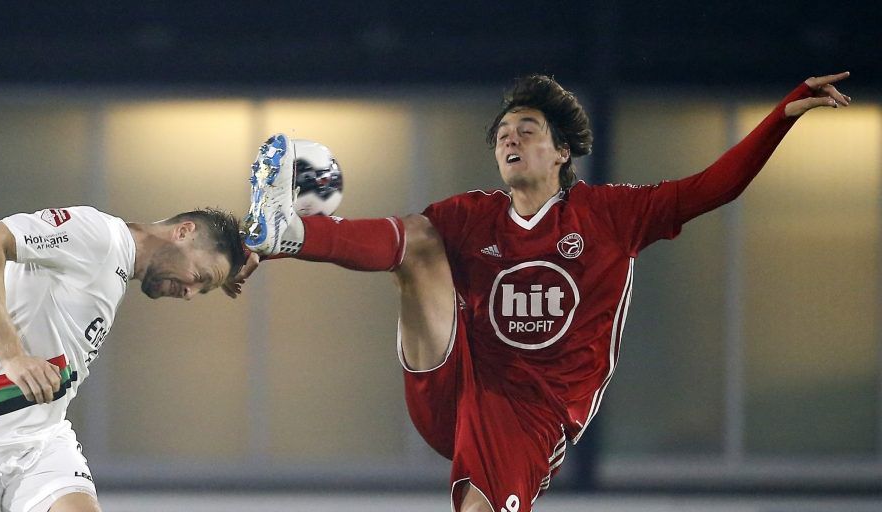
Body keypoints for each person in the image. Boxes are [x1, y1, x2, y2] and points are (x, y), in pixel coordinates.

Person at [239, 71, 852, 512]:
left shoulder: (611, 215)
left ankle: (290, 230)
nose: (509, 139)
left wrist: (783, 113)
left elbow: (712, 187)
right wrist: (271, 243)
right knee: (421, 242)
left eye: (526, 129)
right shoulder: (471, 215)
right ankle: (286, 229)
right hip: (455, 385)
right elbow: (384, 238)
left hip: (537, 412)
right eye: (503, 132)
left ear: (562, 151)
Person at [0, 206, 247, 512]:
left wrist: (239, 257)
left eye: (203, 289)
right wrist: (10, 355)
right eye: (200, 278)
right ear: (184, 231)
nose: (191, 292)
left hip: (40, 441)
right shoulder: (97, 235)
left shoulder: (113, 264)